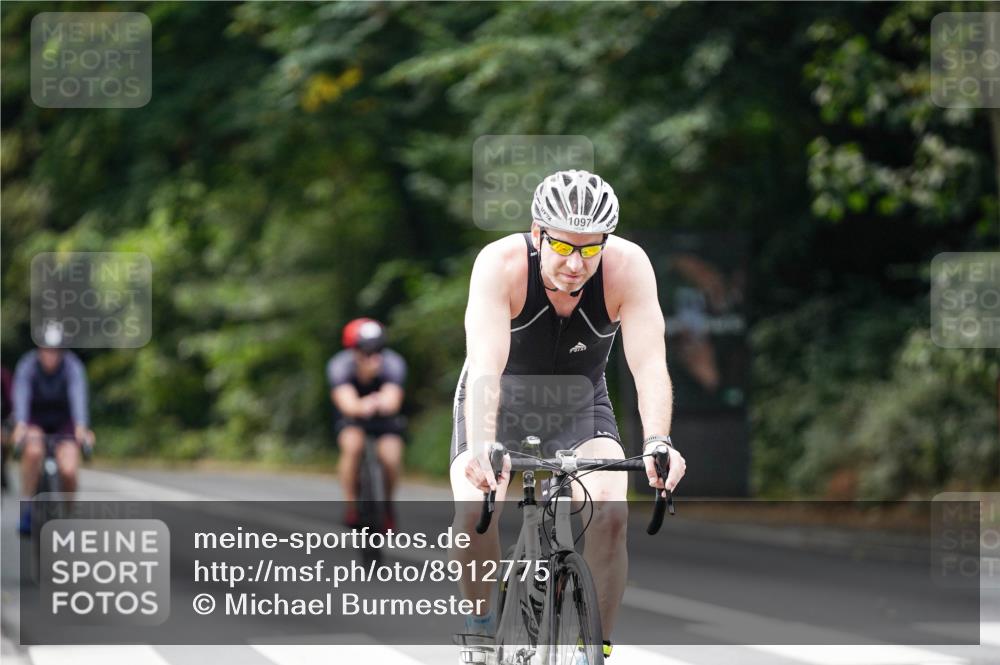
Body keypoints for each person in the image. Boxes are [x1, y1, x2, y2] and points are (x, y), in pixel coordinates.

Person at [450, 169, 687, 661]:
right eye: (562, 248)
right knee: (476, 507)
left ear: (607, 240)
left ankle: (591, 648)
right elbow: (486, 367)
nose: (576, 264)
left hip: (579, 400)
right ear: (538, 235)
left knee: (611, 511)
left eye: (589, 248)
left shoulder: (628, 267)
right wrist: (481, 447)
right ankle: (479, 628)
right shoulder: (501, 264)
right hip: (500, 397)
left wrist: (659, 441)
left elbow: (648, 363)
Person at [12, 322, 95, 535]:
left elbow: (78, 396)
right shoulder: (27, 365)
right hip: (35, 420)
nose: (51, 355)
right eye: (47, 350)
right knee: (33, 451)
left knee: (68, 469)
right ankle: (28, 507)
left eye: (56, 350)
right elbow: (21, 394)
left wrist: (81, 427)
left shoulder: (72, 366)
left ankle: (68, 515)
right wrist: (20, 425)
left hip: (64, 422)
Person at [327, 318, 407, 530]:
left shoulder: (393, 363)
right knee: (352, 446)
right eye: (367, 351)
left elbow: (392, 402)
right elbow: (348, 404)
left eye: (379, 350)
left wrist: (375, 403)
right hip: (353, 421)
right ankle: (352, 506)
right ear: (353, 351)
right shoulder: (340, 366)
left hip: (384, 422)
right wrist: (369, 403)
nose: (374, 357)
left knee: (391, 457)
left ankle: (387, 505)